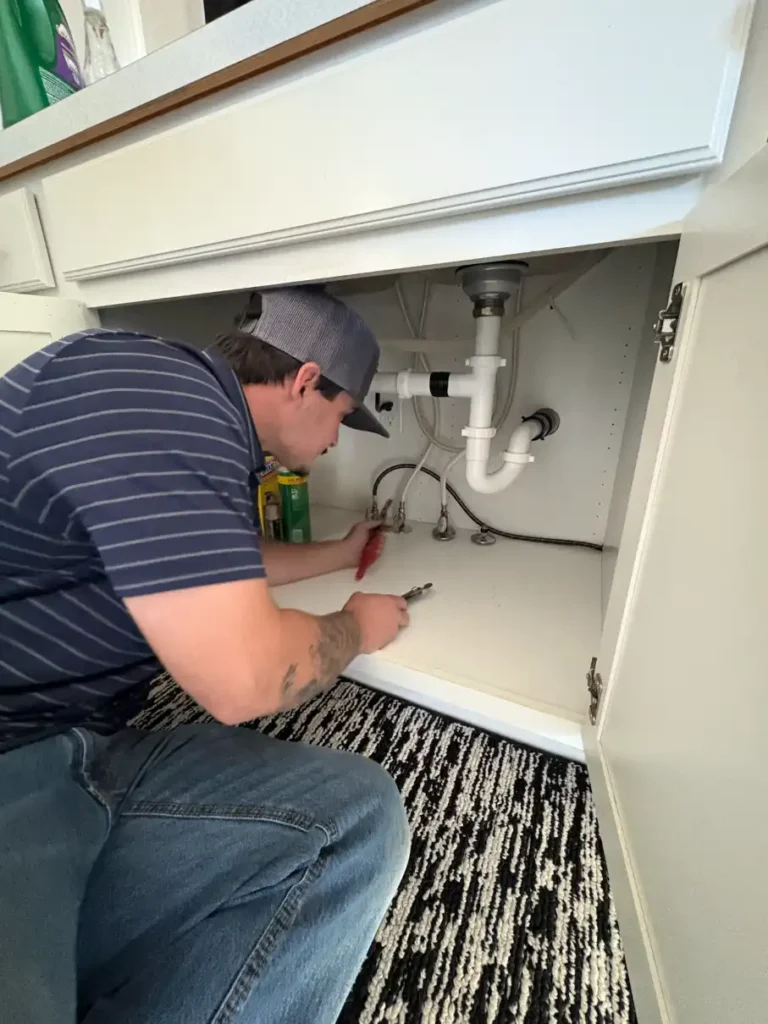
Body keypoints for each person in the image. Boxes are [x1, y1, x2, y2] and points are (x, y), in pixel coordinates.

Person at [0, 287, 411, 1024]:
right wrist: (354, 627)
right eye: (342, 415)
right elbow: (247, 681)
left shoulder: (164, 395)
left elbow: (211, 561)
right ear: (306, 381)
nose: (336, 440)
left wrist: (338, 553)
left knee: (358, 815)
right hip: (18, 756)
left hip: (78, 738)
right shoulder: (176, 404)